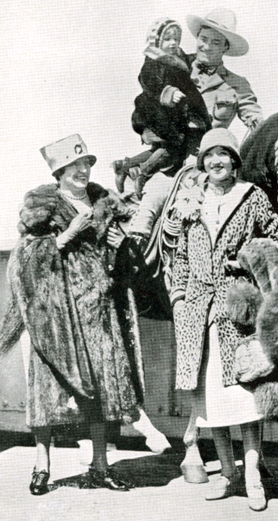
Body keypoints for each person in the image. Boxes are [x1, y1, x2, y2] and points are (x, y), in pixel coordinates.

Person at [0, 134, 144, 495]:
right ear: (59, 171)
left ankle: (100, 466)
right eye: (74, 166)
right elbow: (25, 260)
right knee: (46, 392)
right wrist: (66, 235)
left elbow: (121, 262)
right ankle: (42, 465)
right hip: (56, 317)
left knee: (100, 391)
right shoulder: (43, 207)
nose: (83, 171)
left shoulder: (102, 202)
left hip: (97, 312)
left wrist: (120, 247)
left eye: (87, 164)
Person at [170, 128, 278, 511]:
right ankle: (227, 472)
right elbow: (180, 259)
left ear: (235, 161)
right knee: (212, 401)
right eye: (209, 156)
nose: (216, 161)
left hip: (238, 311)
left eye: (224, 154)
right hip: (199, 311)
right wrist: (179, 298)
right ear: (202, 162)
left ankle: (253, 476)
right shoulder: (191, 199)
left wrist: (246, 260)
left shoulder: (251, 197)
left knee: (245, 398)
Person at [125, 7, 263, 254]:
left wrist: (256, 122)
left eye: (216, 42)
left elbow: (254, 116)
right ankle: (137, 255)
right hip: (174, 158)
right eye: (203, 39)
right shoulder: (173, 65)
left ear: (225, 49)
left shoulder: (237, 85)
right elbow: (144, 100)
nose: (207, 47)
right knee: (155, 192)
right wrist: (146, 130)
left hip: (213, 163)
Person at [112, 17, 211, 199]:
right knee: (172, 150)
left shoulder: (177, 57)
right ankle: (143, 175)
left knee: (157, 151)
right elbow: (149, 82)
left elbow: (185, 66)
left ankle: (124, 166)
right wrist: (169, 92)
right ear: (157, 41)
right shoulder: (153, 61)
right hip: (160, 115)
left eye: (176, 38)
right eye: (167, 39)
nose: (173, 43)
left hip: (173, 115)